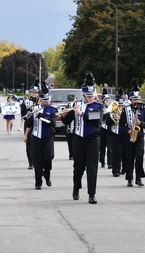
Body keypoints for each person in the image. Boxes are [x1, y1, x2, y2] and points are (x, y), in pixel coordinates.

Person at [62, 72, 104, 204]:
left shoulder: (98, 106)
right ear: (84, 94)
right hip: (78, 139)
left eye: (92, 96)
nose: (91, 98)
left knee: (92, 167)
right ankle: (76, 187)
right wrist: (64, 115)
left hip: (93, 139)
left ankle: (92, 194)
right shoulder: (76, 104)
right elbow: (66, 122)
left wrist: (81, 113)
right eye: (88, 96)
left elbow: (95, 119)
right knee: (78, 166)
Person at [23, 83, 57, 190]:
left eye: (47, 100)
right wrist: (28, 118)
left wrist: (41, 115)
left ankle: (47, 174)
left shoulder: (52, 110)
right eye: (43, 100)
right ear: (40, 100)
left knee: (48, 158)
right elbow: (29, 123)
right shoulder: (34, 108)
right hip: (36, 138)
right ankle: (38, 182)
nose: (46, 102)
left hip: (48, 138)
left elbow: (52, 123)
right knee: (37, 161)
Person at [119, 78, 145, 187]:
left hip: (139, 136)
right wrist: (128, 131)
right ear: (131, 100)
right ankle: (129, 179)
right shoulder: (125, 110)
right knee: (129, 158)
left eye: (138, 99)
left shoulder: (143, 110)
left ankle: (139, 178)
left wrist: (140, 123)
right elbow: (121, 125)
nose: (136, 101)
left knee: (140, 156)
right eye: (134, 99)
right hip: (129, 137)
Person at [21, 82, 40, 169]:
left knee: (37, 143)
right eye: (33, 92)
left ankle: (37, 161)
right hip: (29, 123)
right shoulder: (25, 102)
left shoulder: (41, 100)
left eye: (36, 92)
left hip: (38, 123)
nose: (34, 94)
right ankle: (31, 162)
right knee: (28, 143)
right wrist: (30, 109)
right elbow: (23, 115)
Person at [99, 89, 112, 169]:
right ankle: (102, 161)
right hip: (102, 128)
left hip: (109, 128)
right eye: (106, 100)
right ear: (103, 101)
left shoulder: (111, 107)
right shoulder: (101, 108)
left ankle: (109, 163)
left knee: (110, 146)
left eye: (108, 100)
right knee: (102, 146)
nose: (107, 101)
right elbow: (100, 118)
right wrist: (106, 113)